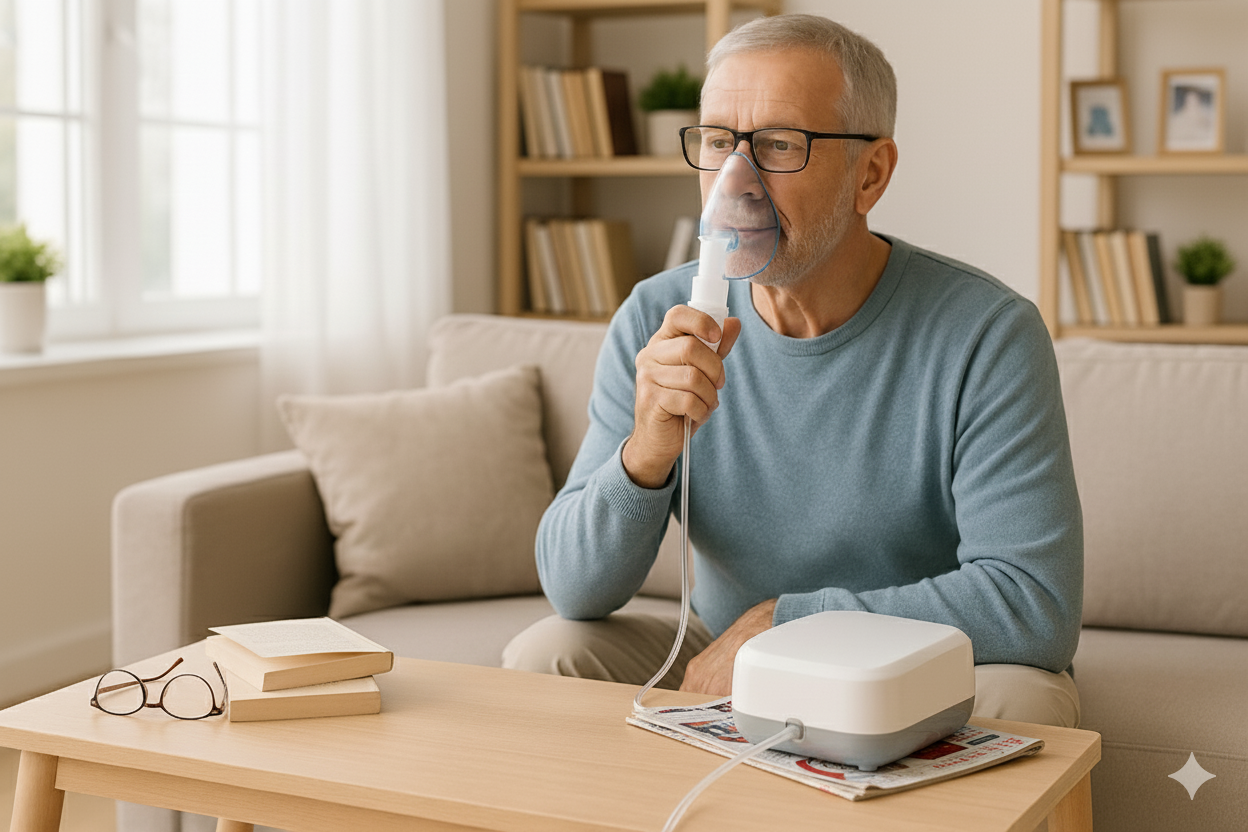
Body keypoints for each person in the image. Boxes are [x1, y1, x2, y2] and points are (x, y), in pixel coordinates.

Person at [503, 13, 1082, 729]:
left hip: (909, 668)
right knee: (550, 653)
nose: (736, 182)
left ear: (870, 174)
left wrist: (787, 623)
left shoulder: (987, 335)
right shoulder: (659, 316)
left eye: (779, 145)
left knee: (1027, 700)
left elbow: (1035, 603)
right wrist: (646, 453)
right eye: (718, 143)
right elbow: (573, 589)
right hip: (729, 647)